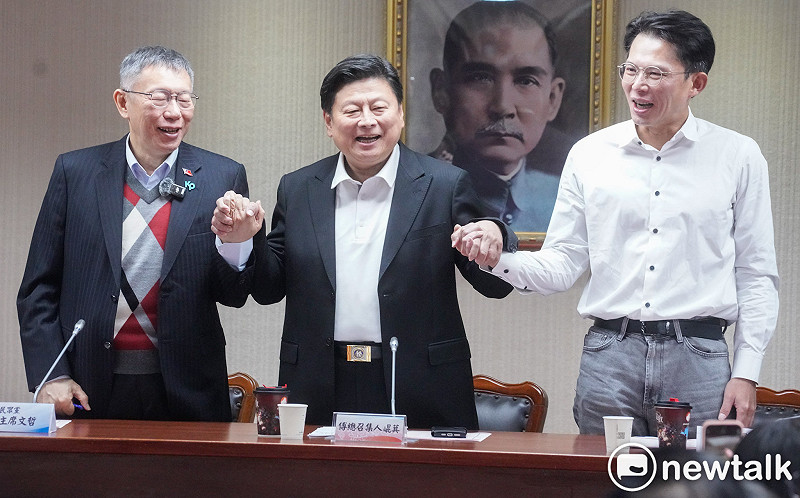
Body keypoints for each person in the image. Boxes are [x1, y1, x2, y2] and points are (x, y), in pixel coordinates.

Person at [453, 10, 779, 436]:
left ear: (695, 83)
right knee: (606, 473)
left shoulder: (738, 155)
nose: (638, 84)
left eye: (656, 73)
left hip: (698, 359)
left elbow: (756, 274)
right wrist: (496, 258)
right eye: (631, 69)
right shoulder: (590, 154)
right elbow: (563, 263)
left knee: (700, 474)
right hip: (610, 358)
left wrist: (747, 372)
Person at [211, 54, 516, 429]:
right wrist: (243, 241)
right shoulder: (299, 188)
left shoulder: (445, 185)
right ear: (329, 122)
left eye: (379, 108)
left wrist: (495, 237)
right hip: (321, 378)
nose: (367, 121)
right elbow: (269, 288)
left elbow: (494, 283)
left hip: (419, 380)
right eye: (352, 110)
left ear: (400, 114)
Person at [17, 46, 257, 421]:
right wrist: (52, 374)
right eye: (159, 97)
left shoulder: (221, 177)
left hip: (188, 387)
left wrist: (237, 244)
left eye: (184, 99)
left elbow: (234, 295)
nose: (174, 112)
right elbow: (38, 288)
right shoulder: (75, 172)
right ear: (122, 102)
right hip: (86, 384)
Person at [428, 1, 574, 232]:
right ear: (441, 92)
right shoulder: (415, 192)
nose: (503, 106)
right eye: (480, 78)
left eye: (526, 81)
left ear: (553, 99)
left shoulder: (568, 198)